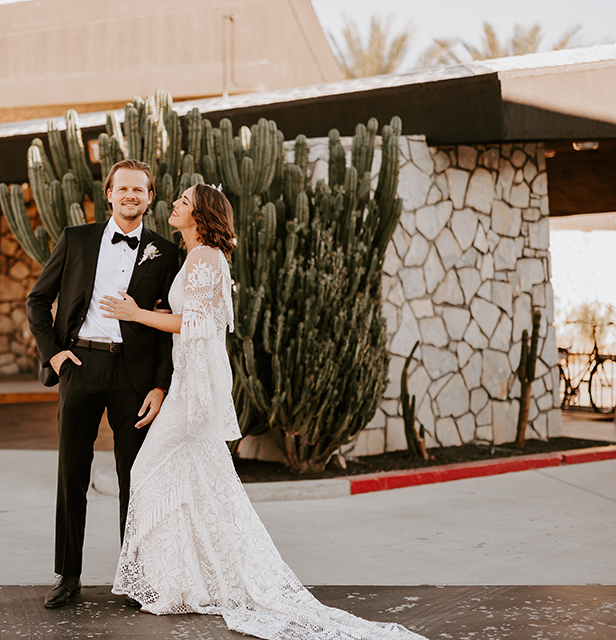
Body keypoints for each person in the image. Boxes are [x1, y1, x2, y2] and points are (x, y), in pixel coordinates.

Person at [102, 184, 428, 640]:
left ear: (200, 214)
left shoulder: (205, 257)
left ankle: (184, 584)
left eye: (182, 202)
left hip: (194, 385)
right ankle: (183, 583)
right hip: (187, 378)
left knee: (153, 471)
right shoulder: (199, 256)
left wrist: (135, 314)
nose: (173, 206)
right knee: (192, 477)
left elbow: (196, 323)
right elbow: (199, 313)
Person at [26, 159, 181, 609]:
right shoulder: (76, 239)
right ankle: (68, 575)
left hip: (133, 376)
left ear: (150, 199)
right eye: (123, 189)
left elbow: (168, 326)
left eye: (140, 190)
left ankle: (134, 577)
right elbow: (38, 300)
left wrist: (159, 385)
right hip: (81, 363)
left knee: (135, 478)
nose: (131, 196)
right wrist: (54, 353)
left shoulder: (164, 252)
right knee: (71, 473)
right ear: (109, 193)